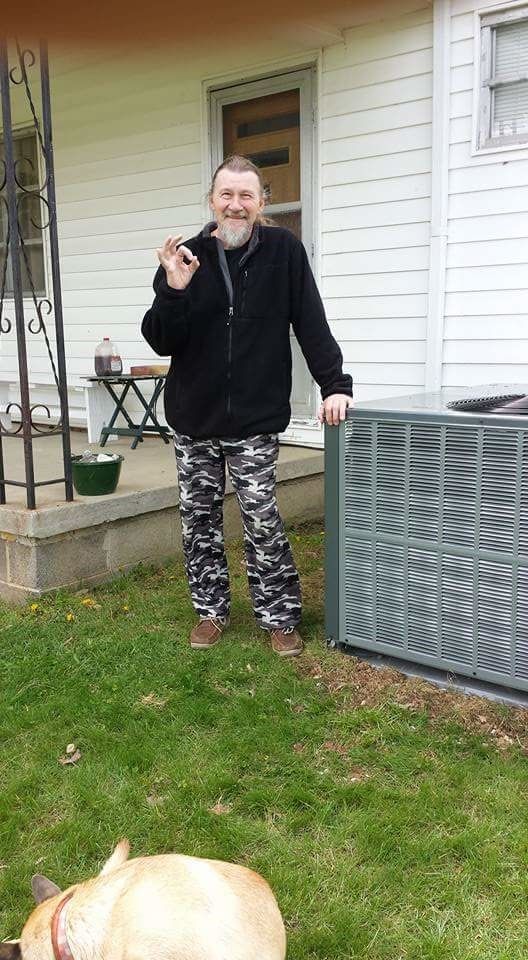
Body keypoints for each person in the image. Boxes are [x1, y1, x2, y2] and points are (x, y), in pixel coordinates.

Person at [142, 154, 352, 657]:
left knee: (261, 515)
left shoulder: (283, 251)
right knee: (199, 519)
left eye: (246, 196)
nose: (235, 205)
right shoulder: (186, 257)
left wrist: (334, 384)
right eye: (226, 195)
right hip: (194, 418)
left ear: (262, 202)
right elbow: (159, 340)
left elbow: (310, 321)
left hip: (254, 419)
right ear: (212, 200)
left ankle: (279, 616)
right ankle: (210, 611)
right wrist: (174, 288)